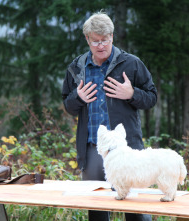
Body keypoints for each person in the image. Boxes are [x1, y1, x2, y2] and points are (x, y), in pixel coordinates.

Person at [62, 11, 157, 221]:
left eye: (105, 40)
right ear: (87, 39)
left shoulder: (131, 63)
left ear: (112, 36)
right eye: (95, 41)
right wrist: (77, 98)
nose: (101, 45)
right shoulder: (76, 67)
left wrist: (132, 94)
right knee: (97, 208)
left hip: (127, 148)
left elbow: (152, 97)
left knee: (135, 208)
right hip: (93, 148)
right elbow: (68, 105)